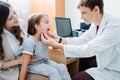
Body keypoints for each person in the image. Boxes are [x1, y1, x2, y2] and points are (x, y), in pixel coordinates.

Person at [41, 0, 120, 80]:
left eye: (84, 13)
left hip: (113, 70)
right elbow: (83, 40)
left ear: (96, 9)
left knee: (77, 78)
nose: (81, 17)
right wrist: (60, 40)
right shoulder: (96, 22)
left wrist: (58, 45)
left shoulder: (115, 25)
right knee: (79, 62)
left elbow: (89, 48)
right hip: (103, 60)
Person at [19, 13, 71, 80]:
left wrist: (53, 40)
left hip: (44, 60)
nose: (50, 24)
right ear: (37, 27)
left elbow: (54, 46)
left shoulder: (45, 38)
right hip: (33, 65)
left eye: (49, 22)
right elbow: (24, 64)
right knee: (53, 72)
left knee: (62, 67)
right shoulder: (30, 42)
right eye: (46, 22)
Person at [0, 1, 36, 80]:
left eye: (15, 13)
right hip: (12, 71)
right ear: (2, 22)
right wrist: (20, 61)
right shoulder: (2, 37)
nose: (16, 18)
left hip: (30, 64)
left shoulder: (21, 24)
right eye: (10, 18)